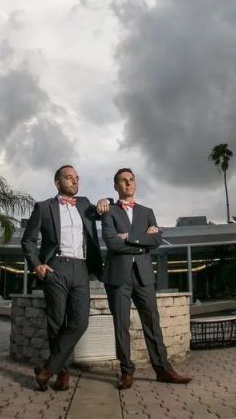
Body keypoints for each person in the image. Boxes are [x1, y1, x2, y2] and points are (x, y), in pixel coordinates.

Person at [20, 164, 110, 391]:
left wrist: (106, 200)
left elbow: (105, 207)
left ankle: (47, 369)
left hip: (81, 268)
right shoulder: (43, 207)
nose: (75, 181)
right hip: (56, 267)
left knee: (80, 322)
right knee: (57, 324)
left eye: (77, 178)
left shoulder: (85, 204)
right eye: (69, 178)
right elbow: (28, 241)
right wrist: (37, 265)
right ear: (58, 183)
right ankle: (62, 375)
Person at [101, 168, 191, 389]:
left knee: (152, 323)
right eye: (123, 181)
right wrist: (142, 240)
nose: (128, 184)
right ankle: (126, 372)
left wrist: (129, 237)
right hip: (117, 276)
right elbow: (111, 243)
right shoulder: (109, 212)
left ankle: (163, 369)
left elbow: (157, 240)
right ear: (116, 186)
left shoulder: (147, 211)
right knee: (121, 326)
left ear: (135, 184)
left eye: (131, 180)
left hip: (144, 276)